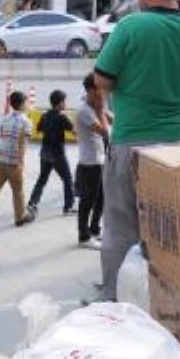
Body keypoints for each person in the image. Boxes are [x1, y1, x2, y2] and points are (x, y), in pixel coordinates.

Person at [95, 0, 180, 300]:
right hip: (178, 150)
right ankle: (167, 303)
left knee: (120, 228)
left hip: (132, 142)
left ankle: (115, 302)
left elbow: (102, 78)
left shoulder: (131, 26)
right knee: (169, 232)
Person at [0, 90, 34, 235]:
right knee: (18, 191)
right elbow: (22, 143)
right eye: (26, 102)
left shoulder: (5, 118)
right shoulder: (26, 122)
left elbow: (2, 135)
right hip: (13, 162)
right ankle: (20, 217)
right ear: (22, 104)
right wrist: (21, 162)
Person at [75, 73, 111, 250]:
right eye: (99, 89)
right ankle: (83, 236)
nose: (103, 94)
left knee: (101, 198)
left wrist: (102, 111)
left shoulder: (93, 105)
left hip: (99, 160)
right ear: (90, 90)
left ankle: (94, 229)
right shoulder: (85, 111)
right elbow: (106, 133)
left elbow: (113, 120)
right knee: (87, 200)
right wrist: (100, 111)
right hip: (89, 163)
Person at [27, 90, 76, 218]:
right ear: (59, 103)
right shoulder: (62, 117)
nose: (65, 103)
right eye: (64, 101)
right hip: (57, 154)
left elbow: (39, 129)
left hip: (45, 152)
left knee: (42, 179)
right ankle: (68, 207)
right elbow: (74, 130)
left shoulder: (44, 116)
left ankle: (32, 203)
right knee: (68, 179)